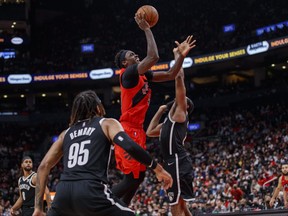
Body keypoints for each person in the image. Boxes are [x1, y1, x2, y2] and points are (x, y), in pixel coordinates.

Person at [32, 90, 172, 216]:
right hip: (90, 190)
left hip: (63, 193)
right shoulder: (106, 123)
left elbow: (43, 166)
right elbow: (130, 146)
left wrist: (38, 207)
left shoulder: (66, 133)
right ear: (98, 107)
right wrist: (158, 169)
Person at [112, 11, 196, 205]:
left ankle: (122, 209)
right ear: (125, 62)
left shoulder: (143, 75)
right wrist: (147, 29)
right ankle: (98, 203)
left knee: (139, 177)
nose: (135, 54)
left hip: (137, 129)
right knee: (132, 178)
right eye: (131, 55)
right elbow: (154, 55)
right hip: (127, 129)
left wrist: (180, 57)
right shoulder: (128, 74)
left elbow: (170, 74)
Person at [146, 41, 195, 215]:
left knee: (175, 204)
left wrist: (178, 56)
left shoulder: (180, 113)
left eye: (181, 100)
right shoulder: (168, 120)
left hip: (177, 161)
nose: (178, 100)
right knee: (181, 205)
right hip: (171, 162)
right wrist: (159, 111)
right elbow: (150, 131)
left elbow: (179, 77)